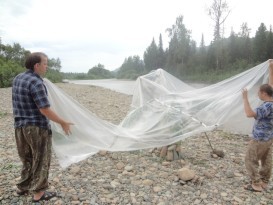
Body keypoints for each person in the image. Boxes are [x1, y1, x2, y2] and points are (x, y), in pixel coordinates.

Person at [12, 52, 73, 202]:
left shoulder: (18, 78)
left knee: (27, 158)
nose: (47, 66)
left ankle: (24, 187)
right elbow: (44, 109)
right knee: (41, 159)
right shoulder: (36, 82)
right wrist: (63, 122)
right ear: (37, 66)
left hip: (20, 127)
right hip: (36, 128)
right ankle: (38, 194)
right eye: (45, 63)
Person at [242, 59, 273, 192]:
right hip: (269, 138)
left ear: (264, 94)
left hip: (259, 139)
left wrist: (244, 97)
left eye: (259, 92)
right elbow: (271, 85)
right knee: (266, 160)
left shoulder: (266, 107)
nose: (257, 93)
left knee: (250, 159)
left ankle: (256, 184)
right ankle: (265, 182)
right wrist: (271, 68)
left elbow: (249, 113)